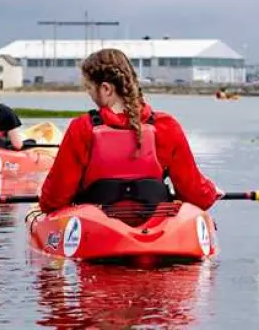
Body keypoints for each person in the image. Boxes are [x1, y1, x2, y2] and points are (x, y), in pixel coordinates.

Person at [38, 48, 220, 225]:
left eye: (89, 89)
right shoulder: (166, 126)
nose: (90, 95)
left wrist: (44, 204)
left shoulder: (82, 128)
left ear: (106, 89)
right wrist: (211, 192)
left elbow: (54, 199)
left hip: (96, 231)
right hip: (157, 230)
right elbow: (196, 195)